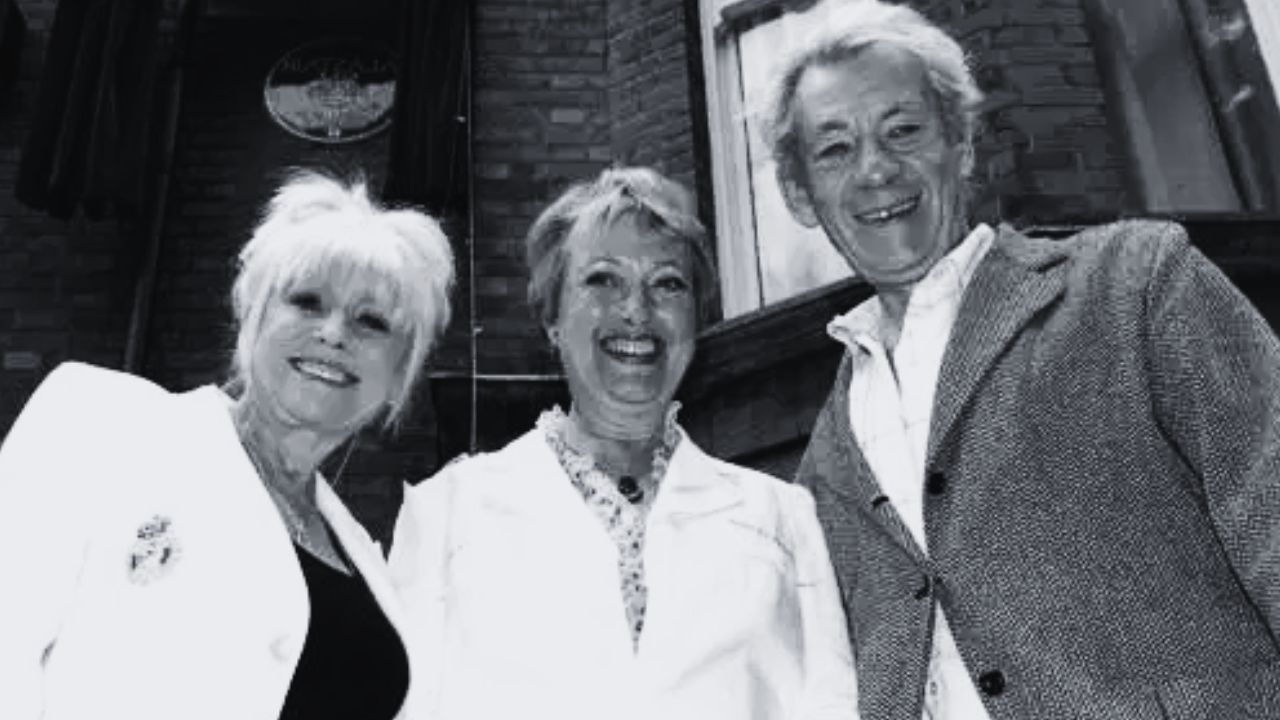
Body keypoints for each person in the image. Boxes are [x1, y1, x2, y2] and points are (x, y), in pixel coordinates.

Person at [764, 1, 1280, 718]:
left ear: (962, 144)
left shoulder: (1135, 285)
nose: (875, 168)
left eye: (903, 130)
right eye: (834, 149)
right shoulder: (821, 464)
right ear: (799, 194)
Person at [389, 166, 858, 720]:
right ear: (552, 317)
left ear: (696, 321)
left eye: (668, 284)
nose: (636, 309)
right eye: (603, 280)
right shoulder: (447, 513)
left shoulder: (782, 519)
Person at [0, 170, 455, 720]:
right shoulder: (102, 422)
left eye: (371, 322)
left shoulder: (368, 561)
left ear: (400, 373)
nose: (335, 334)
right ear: (251, 315)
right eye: (307, 302)